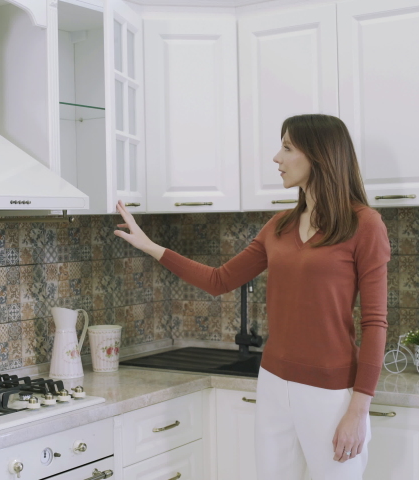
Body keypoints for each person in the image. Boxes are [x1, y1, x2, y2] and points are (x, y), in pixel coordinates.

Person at [113, 114, 390, 480]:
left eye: (287, 147)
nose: (276, 157)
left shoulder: (364, 224)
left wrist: (358, 409)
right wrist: (152, 247)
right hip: (274, 382)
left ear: (319, 155)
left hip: (331, 393)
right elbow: (219, 279)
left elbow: (375, 323)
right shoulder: (279, 226)